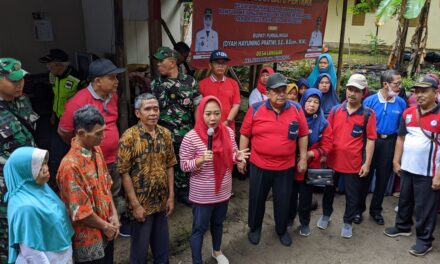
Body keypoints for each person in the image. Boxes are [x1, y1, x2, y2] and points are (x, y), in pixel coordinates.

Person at [239, 73, 309, 247]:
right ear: (268, 92)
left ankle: (281, 229)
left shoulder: (296, 109)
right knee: (256, 199)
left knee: (283, 200)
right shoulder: (255, 109)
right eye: (276, 91)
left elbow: (303, 134)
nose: (281, 94)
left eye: (283, 90)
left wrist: (303, 158)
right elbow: (245, 134)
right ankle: (254, 228)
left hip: (285, 167)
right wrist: (241, 156)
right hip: (259, 165)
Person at [180, 96, 249, 264]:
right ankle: (197, 261)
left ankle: (216, 252)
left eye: (217, 113)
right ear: (200, 114)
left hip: (223, 189)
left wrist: (237, 157)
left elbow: (231, 155)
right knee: (199, 229)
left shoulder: (229, 132)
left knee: (218, 223)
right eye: (208, 113)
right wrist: (200, 160)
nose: (213, 118)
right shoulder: (191, 137)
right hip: (202, 194)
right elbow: (183, 165)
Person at [58, 58, 126, 214]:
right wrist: (83, 148)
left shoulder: (112, 96)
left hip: (113, 158)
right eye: (112, 78)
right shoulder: (77, 102)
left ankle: (113, 225)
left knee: (113, 192)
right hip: (90, 162)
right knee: (95, 198)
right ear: (98, 81)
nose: (116, 81)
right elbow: (64, 130)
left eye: (116, 77)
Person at [384, 75, 440, 256]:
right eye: (417, 91)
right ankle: (402, 226)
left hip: (429, 171)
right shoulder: (408, 113)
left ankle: (425, 240)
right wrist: (396, 160)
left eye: (425, 91)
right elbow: (400, 138)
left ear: (435, 92)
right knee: (404, 199)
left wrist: (439, 174)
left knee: (425, 207)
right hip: (407, 167)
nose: (420, 95)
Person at [117, 93, 176, 263]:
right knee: (139, 254)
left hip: (161, 202)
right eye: (148, 109)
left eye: (156, 109)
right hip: (141, 205)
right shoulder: (129, 137)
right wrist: (135, 204)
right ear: (138, 113)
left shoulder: (165, 134)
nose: (153, 113)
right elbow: (124, 172)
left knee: (162, 251)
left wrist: (171, 196)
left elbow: (170, 165)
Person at [57, 105, 120, 263]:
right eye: (98, 133)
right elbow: (81, 212)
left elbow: (106, 185)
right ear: (81, 133)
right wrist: (106, 226)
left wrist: (114, 215)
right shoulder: (70, 166)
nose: (103, 137)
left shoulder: (96, 149)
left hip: (107, 229)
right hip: (89, 240)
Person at [317, 74, 376, 238]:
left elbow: (371, 140)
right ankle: (326, 215)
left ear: (363, 93)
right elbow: (327, 135)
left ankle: (348, 222)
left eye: (357, 90)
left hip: (354, 163)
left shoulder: (368, 114)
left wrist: (367, 163)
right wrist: (323, 154)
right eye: (350, 89)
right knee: (328, 191)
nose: (352, 93)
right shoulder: (336, 110)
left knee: (352, 195)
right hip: (332, 160)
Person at [4, 147, 74, 264]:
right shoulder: (24, 207)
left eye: (45, 163)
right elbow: (31, 252)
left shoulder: (41, 189)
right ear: (24, 171)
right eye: (39, 167)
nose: (46, 169)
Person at [151, 46, 202, 206]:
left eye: (161, 61)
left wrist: (198, 130)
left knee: (184, 163)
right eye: (157, 62)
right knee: (163, 163)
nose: (157, 65)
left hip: (185, 132)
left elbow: (197, 107)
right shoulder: (156, 84)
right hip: (163, 134)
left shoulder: (190, 82)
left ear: (172, 62)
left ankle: (183, 191)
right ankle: (165, 194)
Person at [0, 57, 38, 264]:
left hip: (29, 180)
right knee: (7, 235)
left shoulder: (23, 101)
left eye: (21, 79)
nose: (19, 84)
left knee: (29, 231)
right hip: (4, 188)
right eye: (13, 81)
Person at [358, 70, 406, 225]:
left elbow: (401, 131)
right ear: (385, 84)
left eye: (400, 83)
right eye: (395, 83)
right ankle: (358, 210)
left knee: (383, 179)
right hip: (371, 142)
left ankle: (376, 210)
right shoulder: (370, 101)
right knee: (365, 176)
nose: (399, 86)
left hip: (389, 143)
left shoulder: (401, 103)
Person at [289, 88, 333, 236]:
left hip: (310, 167)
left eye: (316, 102)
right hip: (291, 164)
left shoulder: (323, 123)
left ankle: (304, 223)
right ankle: (288, 219)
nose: (312, 105)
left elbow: (327, 145)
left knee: (306, 198)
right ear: (303, 102)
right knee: (289, 194)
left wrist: (312, 153)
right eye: (309, 101)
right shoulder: (293, 118)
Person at [39, 48, 82, 191]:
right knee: (55, 151)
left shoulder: (76, 78)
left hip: (73, 122)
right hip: (58, 118)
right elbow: (55, 97)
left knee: (71, 150)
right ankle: (57, 183)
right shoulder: (52, 76)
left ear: (60, 65)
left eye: (51, 65)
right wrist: (53, 113)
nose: (49, 68)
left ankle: (73, 182)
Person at [199, 50, 240, 131]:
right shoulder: (202, 84)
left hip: (228, 127)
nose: (220, 66)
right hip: (208, 127)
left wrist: (227, 121)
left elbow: (236, 105)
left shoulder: (233, 83)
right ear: (210, 65)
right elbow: (199, 108)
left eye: (224, 63)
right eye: (217, 63)